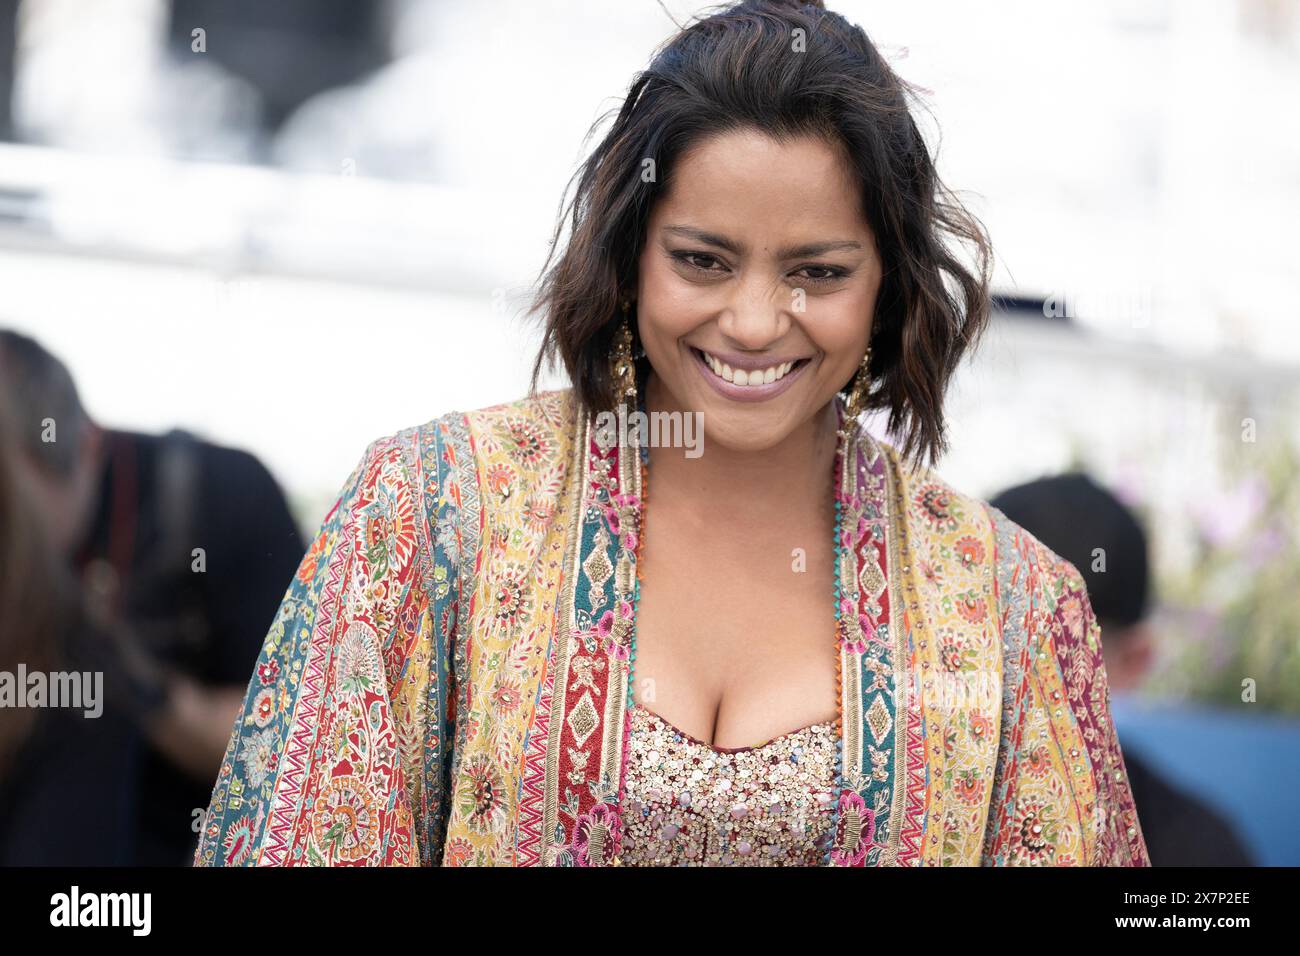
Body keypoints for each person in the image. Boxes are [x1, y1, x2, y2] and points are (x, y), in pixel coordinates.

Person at [195, 0, 1149, 867]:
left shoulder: (1011, 612)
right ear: (630, 254)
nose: (753, 321)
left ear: (889, 285)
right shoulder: (429, 518)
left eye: (816, 272)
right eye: (703, 261)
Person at [0, 329, 305, 864]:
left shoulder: (225, 499)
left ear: (88, 445)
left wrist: (147, 691)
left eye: (10, 508)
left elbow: (289, 752)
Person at [989, 473, 1256, 866]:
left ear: (1133, 661)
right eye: (983, 642)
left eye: (1048, 658)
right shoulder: (894, 810)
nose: (1003, 684)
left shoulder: (1194, 851)